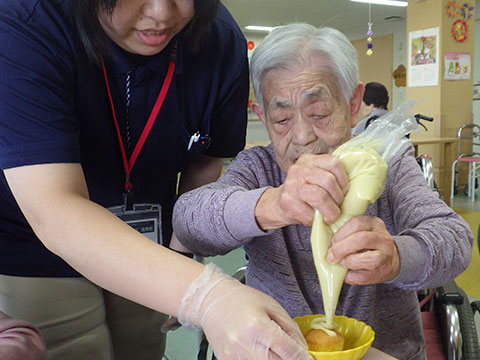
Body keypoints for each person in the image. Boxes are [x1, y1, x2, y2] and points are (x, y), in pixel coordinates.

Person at [0, 1, 312, 359]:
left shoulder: (220, 39)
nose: (163, 13)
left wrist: (180, 258)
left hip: (151, 240)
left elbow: (205, 163)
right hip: (37, 245)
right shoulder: (26, 20)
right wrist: (208, 296)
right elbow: (53, 206)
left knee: (142, 347)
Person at [172, 23, 473, 360]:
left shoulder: (384, 163)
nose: (301, 136)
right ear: (260, 114)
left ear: (354, 101)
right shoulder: (259, 168)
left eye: (319, 113)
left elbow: (454, 239)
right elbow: (188, 220)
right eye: (282, 119)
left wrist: (398, 256)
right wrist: (272, 204)